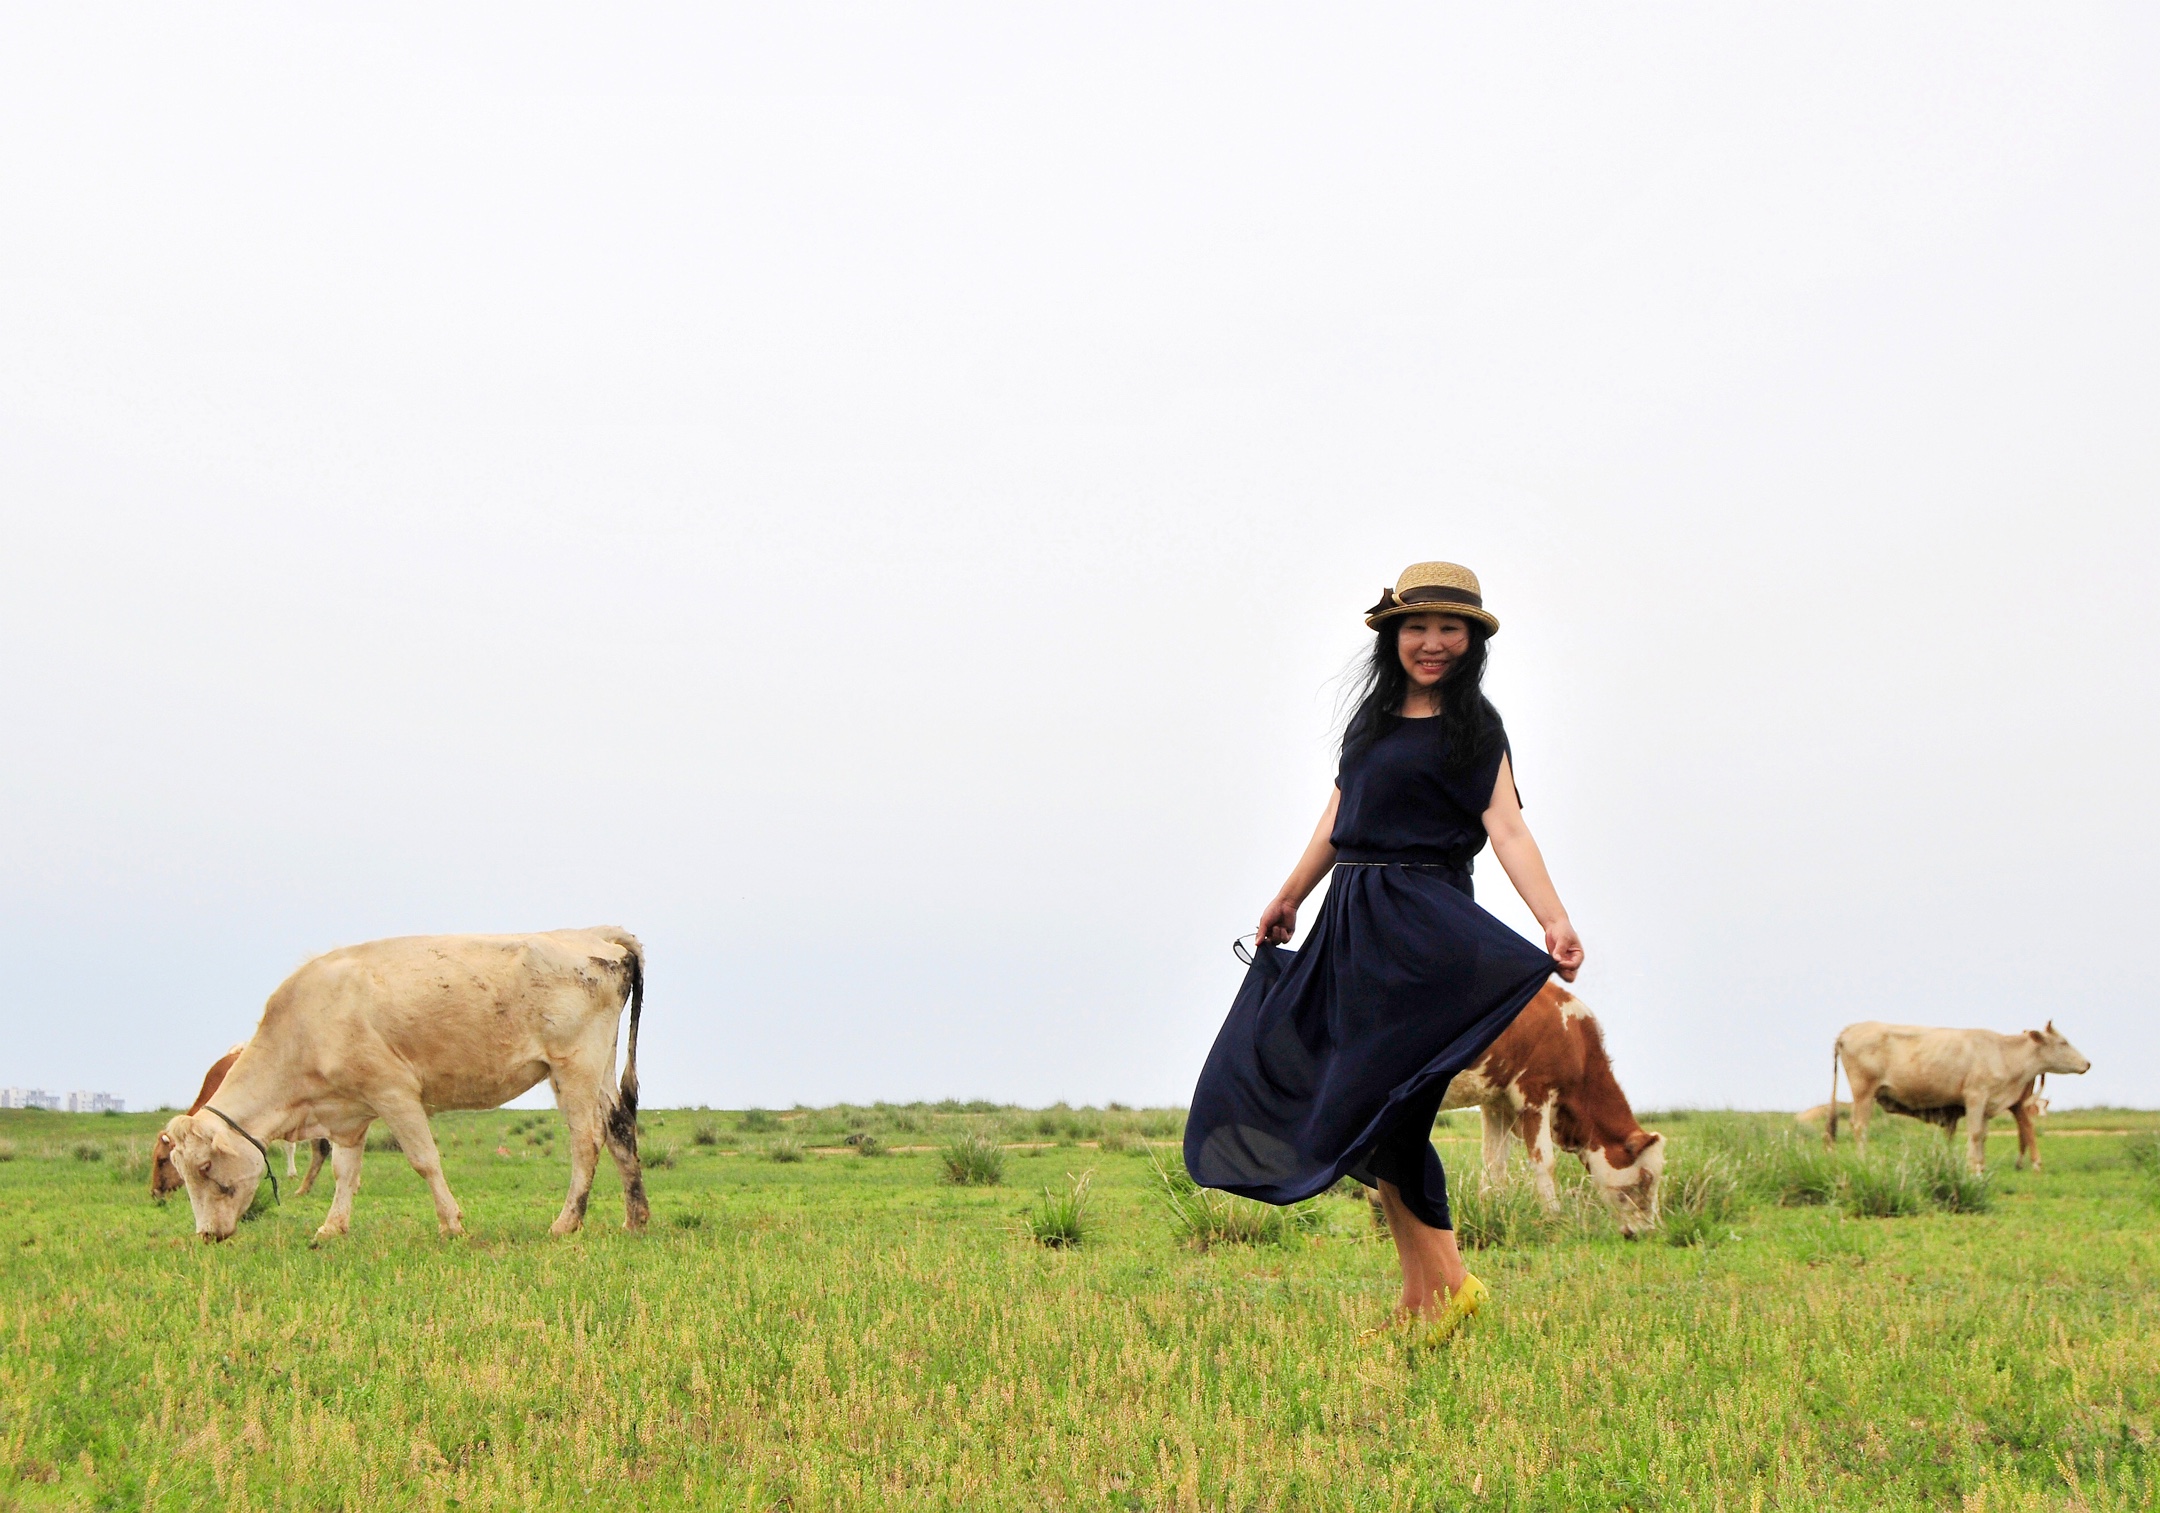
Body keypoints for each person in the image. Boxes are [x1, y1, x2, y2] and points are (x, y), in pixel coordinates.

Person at [1184, 561, 1583, 1348]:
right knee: (1377, 1114)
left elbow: (1506, 829)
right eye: (1417, 627)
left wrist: (1554, 917)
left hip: (1424, 924)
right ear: (1393, 635)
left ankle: (1444, 1290)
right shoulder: (1368, 723)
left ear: (1472, 640)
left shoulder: (1478, 727)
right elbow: (1336, 820)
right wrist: (1289, 893)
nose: (1432, 642)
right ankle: (1433, 1291)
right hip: (1352, 924)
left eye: (1450, 628)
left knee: (1391, 1105)